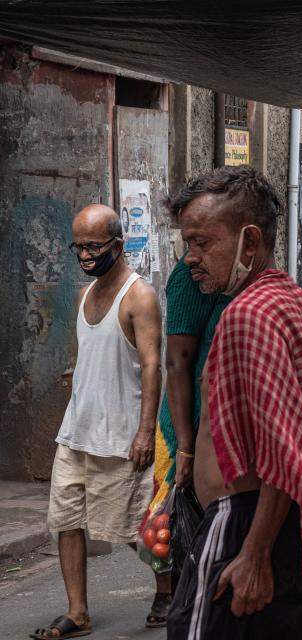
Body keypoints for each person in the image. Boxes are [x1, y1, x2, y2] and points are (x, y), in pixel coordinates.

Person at [166, 166, 302, 639]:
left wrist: (254, 553)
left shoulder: (249, 315)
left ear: (249, 241)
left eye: (202, 243)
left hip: (245, 525)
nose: (190, 259)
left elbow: (287, 453)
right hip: (277, 528)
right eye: (188, 244)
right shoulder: (287, 299)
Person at [36, 205, 164, 640]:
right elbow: (85, 356)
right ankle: (78, 613)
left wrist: (146, 432)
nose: (86, 255)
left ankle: (169, 589)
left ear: (118, 244)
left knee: (134, 530)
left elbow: (152, 366)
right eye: (80, 246)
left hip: (121, 437)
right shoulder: (83, 295)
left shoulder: (138, 296)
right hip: (77, 433)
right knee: (66, 521)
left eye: (94, 246)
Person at [147, 250, 231, 619]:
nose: (195, 253)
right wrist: (186, 446)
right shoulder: (189, 276)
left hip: (215, 427)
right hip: (187, 424)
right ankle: (169, 593)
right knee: (171, 518)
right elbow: (178, 362)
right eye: (190, 239)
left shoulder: (235, 281)